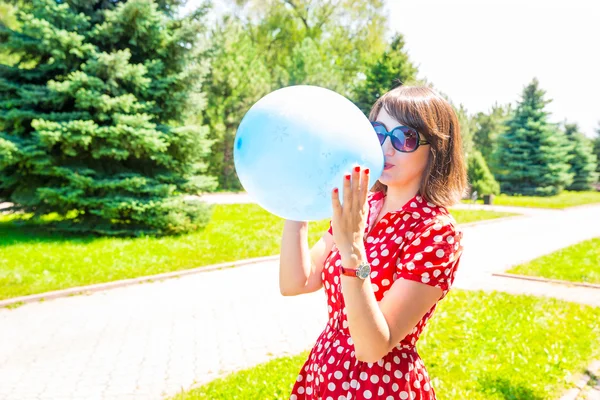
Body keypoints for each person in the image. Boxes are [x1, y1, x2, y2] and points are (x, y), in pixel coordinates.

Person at [279, 85, 467, 400]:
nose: (385, 147)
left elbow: (372, 346)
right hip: (326, 372)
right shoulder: (366, 205)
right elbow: (297, 281)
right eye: (378, 132)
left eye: (404, 138)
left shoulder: (436, 232)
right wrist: (295, 206)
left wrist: (353, 249)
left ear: (435, 149)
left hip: (380, 386)